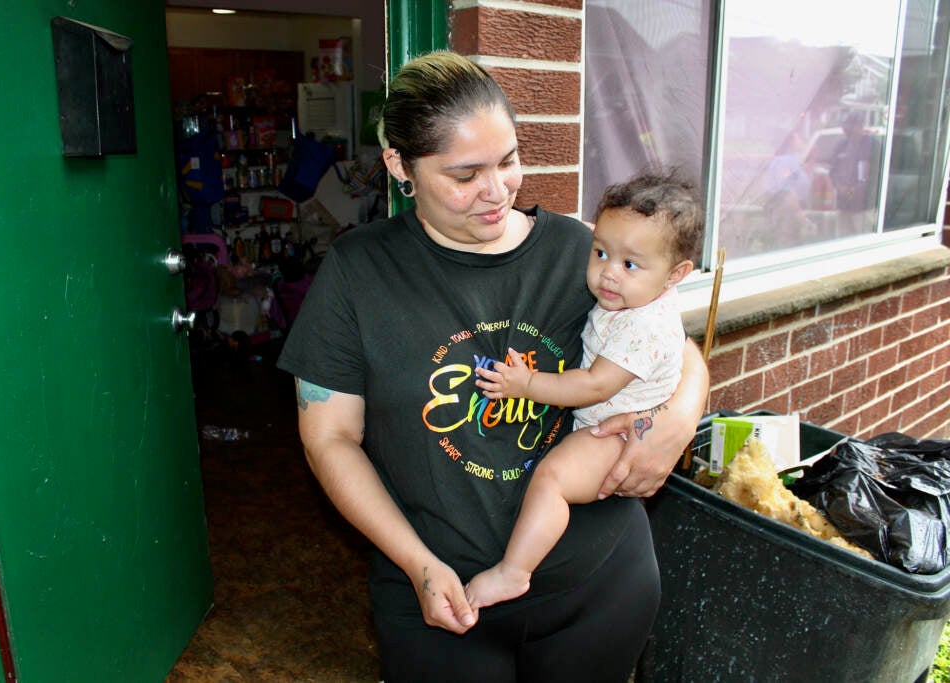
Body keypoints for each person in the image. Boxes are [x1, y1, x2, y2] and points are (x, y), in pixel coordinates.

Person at [276, 50, 709, 683]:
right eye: (465, 173)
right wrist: (418, 565)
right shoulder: (357, 272)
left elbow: (670, 342)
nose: (496, 190)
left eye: (507, 161)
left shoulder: (579, 251)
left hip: (595, 580)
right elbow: (329, 436)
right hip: (438, 595)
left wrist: (681, 414)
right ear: (400, 166)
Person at [464, 172, 703, 609]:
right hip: (612, 424)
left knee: (552, 480)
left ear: (677, 274)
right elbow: (620, 241)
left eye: (629, 264)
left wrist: (526, 384)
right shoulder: (640, 290)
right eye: (600, 253)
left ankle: (513, 572)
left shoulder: (644, 327)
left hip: (614, 437)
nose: (608, 273)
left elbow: (594, 386)